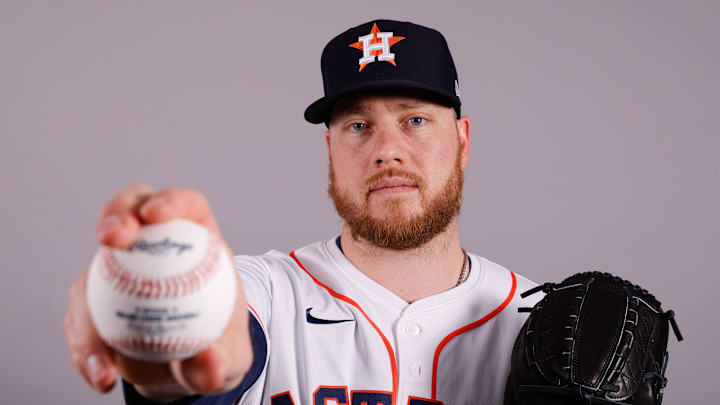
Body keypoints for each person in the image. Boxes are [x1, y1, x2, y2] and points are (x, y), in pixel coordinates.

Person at [64, 19, 541, 404]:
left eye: (414, 120)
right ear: (331, 149)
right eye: (358, 125)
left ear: (461, 142)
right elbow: (210, 355)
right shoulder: (265, 293)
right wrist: (170, 356)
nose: (386, 150)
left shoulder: (540, 320)